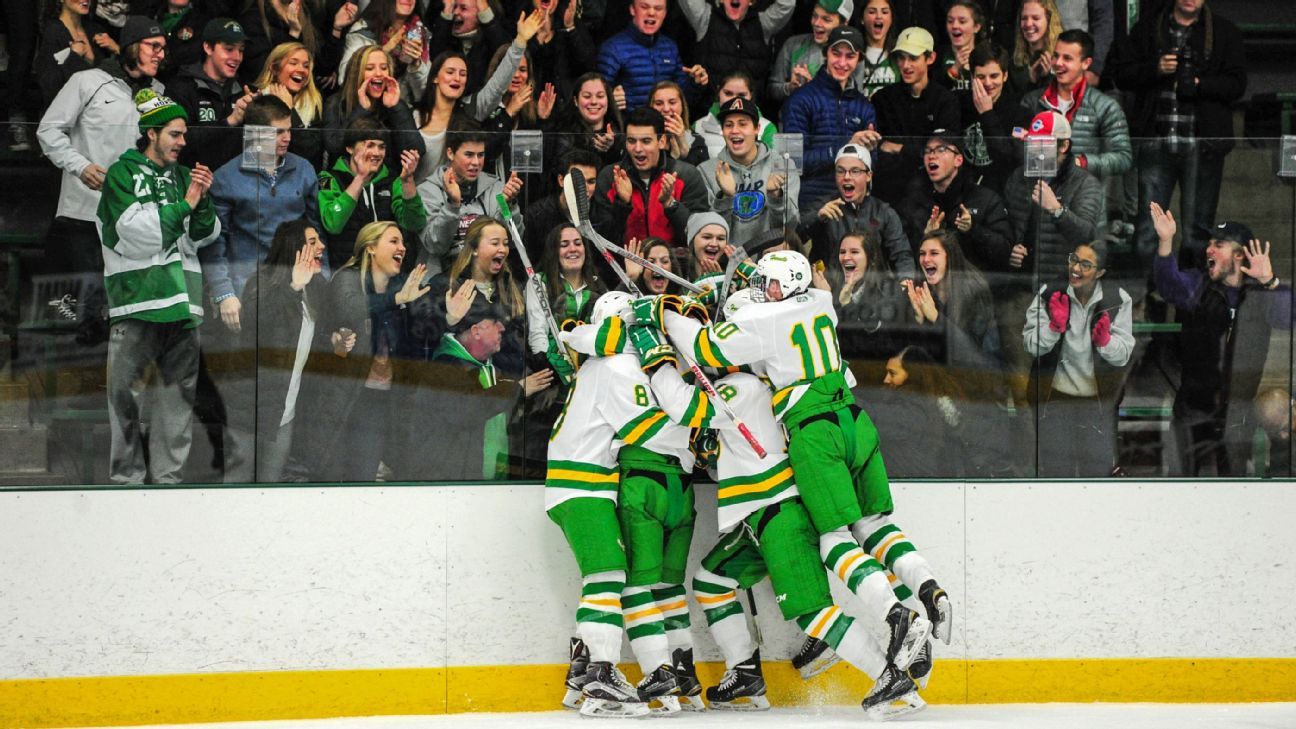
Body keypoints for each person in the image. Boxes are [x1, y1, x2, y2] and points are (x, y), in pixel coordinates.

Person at [640, 250, 951, 676]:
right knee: (873, 525)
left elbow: (702, 347)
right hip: (854, 417)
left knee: (834, 539)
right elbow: (781, 301)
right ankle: (928, 588)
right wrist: (752, 273)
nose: (763, 293)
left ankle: (900, 619)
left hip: (814, 430)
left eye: (768, 285)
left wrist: (663, 313)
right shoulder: (821, 302)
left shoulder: (761, 332)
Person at [96, 89, 220, 485]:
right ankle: (125, 483)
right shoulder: (122, 173)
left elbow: (203, 235)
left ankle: (169, 483)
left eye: (183, 135)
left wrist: (202, 204)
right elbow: (134, 235)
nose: (183, 143)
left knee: (176, 406)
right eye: (175, 134)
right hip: (137, 304)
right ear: (151, 134)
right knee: (124, 401)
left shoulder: (185, 177)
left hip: (183, 306)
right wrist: (186, 204)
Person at [202, 95, 322, 482]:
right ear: (254, 135)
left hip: (294, 290)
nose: (287, 138)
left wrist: (321, 289)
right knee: (245, 394)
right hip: (244, 298)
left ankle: (276, 470)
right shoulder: (226, 177)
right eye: (277, 132)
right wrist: (223, 293)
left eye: (289, 130)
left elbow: (319, 236)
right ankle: (237, 475)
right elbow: (213, 243)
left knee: (288, 385)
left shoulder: (303, 171)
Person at [1149, 204, 1291, 477]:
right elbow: (1168, 285)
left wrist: (1270, 282)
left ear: (1240, 254)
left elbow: (1288, 318)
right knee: (1181, 485)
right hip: (1193, 407)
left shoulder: (1260, 294)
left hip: (1237, 412)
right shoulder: (1198, 285)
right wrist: (1166, 242)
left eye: (1219, 245)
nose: (1208, 250)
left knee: (1233, 486)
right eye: (1209, 244)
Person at [1110, 0, 1247, 266]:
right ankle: (1148, 299)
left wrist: (1198, 83)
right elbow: (1122, 74)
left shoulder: (1223, 31)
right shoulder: (1148, 28)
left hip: (1202, 144)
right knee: (1147, 232)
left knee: (1198, 233)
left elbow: (1237, 84)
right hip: (1156, 141)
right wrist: (1156, 68)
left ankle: (1191, 299)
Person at [38, 16, 167, 285]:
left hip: (134, 215)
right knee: (88, 304)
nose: (160, 54)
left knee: (123, 303)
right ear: (132, 46)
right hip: (85, 211)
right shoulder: (87, 80)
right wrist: (81, 166)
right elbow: (48, 130)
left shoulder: (159, 93)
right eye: (153, 46)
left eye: (163, 48)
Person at [307, 221, 430, 482]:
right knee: (330, 476)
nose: (402, 248)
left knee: (362, 478)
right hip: (342, 395)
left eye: (403, 242)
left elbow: (418, 337)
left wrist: (447, 317)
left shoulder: (400, 286)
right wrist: (395, 300)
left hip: (380, 398)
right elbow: (352, 308)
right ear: (371, 248)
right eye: (394, 241)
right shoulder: (347, 277)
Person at [395, 302, 552, 481]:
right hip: (450, 483)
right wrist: (517, 389)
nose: (502, 328)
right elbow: (466, 410)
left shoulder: (493, 367)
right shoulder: (445, 367)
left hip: (490, 481)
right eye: (495, 322)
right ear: (476, 331)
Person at [1022, 240, 1134, 477]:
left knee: (1096, 472)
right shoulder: (1049, 292)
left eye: (1086, 264)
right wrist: (1053, 327)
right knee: (1056, 472)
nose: (1076, 268)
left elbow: (1123, 354)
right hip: (1054, 400)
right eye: (1074, 259)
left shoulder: (1118, 299)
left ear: (1100, 273)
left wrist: (1106, 343)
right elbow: (1031, 345)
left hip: (1097, 403)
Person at [232, 219, 330, 482]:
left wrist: (336, 341)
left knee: (271, 482)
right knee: (238, 482)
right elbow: (256, 326)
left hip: (285, 410)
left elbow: (315, 343)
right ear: (293, 249)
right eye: (312, 242)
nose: (321, 246)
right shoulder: (262, 282)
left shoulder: (317, 287)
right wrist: (293, 288)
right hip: (250, 408)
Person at [1018, 29, 1131, 190]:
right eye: (1056, 55)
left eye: (1067, 58)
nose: (1058, 63)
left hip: (1084, 200)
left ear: (1086, 63)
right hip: (1039, 197)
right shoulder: (1032, 101)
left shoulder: (1105, 106)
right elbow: (1016, 148)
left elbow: (1123, 158)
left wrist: (1080, 162)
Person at [781, 26, 878, 212]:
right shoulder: (799, 100)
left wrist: (869, 152)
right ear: (826, 54)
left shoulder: (864, 106)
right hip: (810, 206)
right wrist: (845, 146)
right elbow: (789, 163)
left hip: (852, 207)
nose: (842, 62)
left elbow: (872, 165)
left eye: (850, 56)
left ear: (859, 59)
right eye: (836, 53)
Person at [591, 107, 709, 257]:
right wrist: (622, 204)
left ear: (661, 141)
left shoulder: (687, 175)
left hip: (676, 270)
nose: (638, 149)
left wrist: (671, 205)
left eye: (646, 141)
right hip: (623, 271)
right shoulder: (610, 177)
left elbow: (700, 236)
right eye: (631, 141)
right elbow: (602, 240)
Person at [896, 132, 1013, 276]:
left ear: (958, 160)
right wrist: (926, 237)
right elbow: (901, 255)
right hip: (929, 290)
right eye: (928, 151)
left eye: (941, 149)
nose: (932, 155)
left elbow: (1004, 252)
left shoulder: (985, 198)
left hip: (974, 291)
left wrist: (973, 229)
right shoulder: (913, 201)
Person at [413, 38, 528, 183]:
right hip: (418, 198)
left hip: (456, 199)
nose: (457, 78)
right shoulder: (416, 116)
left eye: (463, 74)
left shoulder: (471, 111)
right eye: (450, 72)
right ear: (435, 77)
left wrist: (520, 42)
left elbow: (497, 85)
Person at [416, 121, 523, 276]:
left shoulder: (497, 188)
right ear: (450, 153)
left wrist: (509, 205)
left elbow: (514, 241)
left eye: (481, 155)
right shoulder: (427, 190)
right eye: (469, 155)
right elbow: (435, 245)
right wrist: (452, 205)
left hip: (488, 276)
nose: (476, 162)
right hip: (443, 280)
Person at [869, 26, 961, 206]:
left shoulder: (945, 100)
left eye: (913, 58)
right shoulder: (883, 98)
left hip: (930, 192)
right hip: (888, 189)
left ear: (931, 58)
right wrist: (918, 150)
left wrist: (898, 148)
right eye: (901, 58)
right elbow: (878, 146)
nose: (905, 65)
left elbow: (943, 152)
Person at [318, 117, 425, 270]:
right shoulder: (329, 178)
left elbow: (415, 223)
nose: (376, 153)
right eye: (369, 145)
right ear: (350, 148)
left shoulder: (393, 180)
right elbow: (333, 224)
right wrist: (360, 179)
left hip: (389, 272)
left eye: (381, 147)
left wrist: (408, 181)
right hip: (348, 272)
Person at [797, 144, 916, 280]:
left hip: (873, 294)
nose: (846, 177)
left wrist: (905, 286)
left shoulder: (883, 212)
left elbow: (902, 255)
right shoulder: (823, 207)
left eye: (854, 171)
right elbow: (795, 238)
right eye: (840, 171)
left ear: (869, 175)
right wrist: (817, 218)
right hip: (829, 292)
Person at [699, 97, 799, 248]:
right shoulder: (707, 170)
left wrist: (776, 196)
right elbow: (708, 236)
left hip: (771, 259)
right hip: (728, 261)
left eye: (742, 124)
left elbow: (791, 226)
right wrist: (725, 197)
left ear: (757, 128)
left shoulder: (782, 165)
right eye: (728, 125)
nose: (734, 130)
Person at [166, 17, 254, 171]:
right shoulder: (181, 88)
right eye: (229, 49)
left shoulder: (245, 91)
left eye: (241, 50)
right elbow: (175, 140)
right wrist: (229, 122)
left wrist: (260, 115)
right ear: (207, 47)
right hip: (192, 181)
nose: (237, 57)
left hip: (236, 186)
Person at [322, 44, 426, 172]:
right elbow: (334, 148)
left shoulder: (396, 105)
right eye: (370, 68)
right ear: (356, 74)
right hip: (345, 181)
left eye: (384, 68)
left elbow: (416, 152)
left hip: (385, 183)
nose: (379, 73)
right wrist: (361, 110)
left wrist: (395, 107)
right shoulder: (335, 102)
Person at [596, 0, 708, 111]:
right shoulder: (612, 48)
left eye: (658, 8)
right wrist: (609, 99)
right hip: (630, 126)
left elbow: (684, 99)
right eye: (644, 7)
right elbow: (596, 97)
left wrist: (696, 83)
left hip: (665, 125)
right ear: (632, 9)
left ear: (665, 13)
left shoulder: (670, 47)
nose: (651, 13)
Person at [676, 0, 794, 99]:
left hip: (751, 115)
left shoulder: (764, 23)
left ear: (751, 1)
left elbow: (787, 4)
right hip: (711, 114)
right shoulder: (705, 18)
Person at [824, 229, 909, 364]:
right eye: (842, 252)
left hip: (873, 371)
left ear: (871, 258)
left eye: (854, 252)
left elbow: (880, 346)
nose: (846, 257)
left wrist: (848, 305)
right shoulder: (831, 286)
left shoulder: (888, 288)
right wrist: (824, 299)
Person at [237, 0, 348, 89]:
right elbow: (261, 70)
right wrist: (293, 34)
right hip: (268, 95)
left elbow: (322, 66)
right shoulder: (252, 18)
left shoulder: (304, 12)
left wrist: (337, 28)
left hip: (303, 96)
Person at [251, 41, 326, 169]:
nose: (301, 70)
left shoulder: (315, 104)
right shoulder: (256, 98)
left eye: (306, 66)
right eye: (293, 63)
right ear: (274, 68)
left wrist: (290, 111)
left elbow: (311, 153)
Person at [958, 43, 1021, 195]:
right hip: (962, 190)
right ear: (972, 77)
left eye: (994, 76)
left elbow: (1008, 160)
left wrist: (987, 114)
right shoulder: (957, 104)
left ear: (1005, 76)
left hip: (1000, 194)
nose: (987, 83)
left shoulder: (1019, 111)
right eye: (980, 77)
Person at [340, 0, 429, 105]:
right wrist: (384, 51)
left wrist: (416, 65)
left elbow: (423, 94)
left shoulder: (419, 32)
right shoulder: (364, 30)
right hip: (363, 108)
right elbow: (344, 80)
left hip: (401, 108)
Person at [766, 0, 853, 107]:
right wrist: (790, 88)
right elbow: (771, 91)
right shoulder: (793, 44)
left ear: (844, 24)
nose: (816, 23)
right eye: (814, 16)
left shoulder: (852, 55)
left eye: (826, 19)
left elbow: (854, 103)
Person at [424, 0, 513, 98]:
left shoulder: (491, 40)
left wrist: (486, 14)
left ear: (481, 14)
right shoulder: (447, 38)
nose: (455, 12)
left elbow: (504, 53)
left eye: (463, 8)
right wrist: (446, 13)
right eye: (454, 7)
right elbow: (436, 55)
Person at [523, 149, 600, 261]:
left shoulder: (602, 216)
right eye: (578, 181)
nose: (585, 188)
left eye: (591, 182)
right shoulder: (536, 215)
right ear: (561, 180)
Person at [36, 0, 113, 108]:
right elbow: (49, 86)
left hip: (100, 111)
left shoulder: (96, 30)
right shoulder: (53, 32)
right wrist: (73, 57)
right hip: (67, 115)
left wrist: (116, 49)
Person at [693, 71, 780, 161]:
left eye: (741, 95)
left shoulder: (767, 128)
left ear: (751, 95)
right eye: (728, 93)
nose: (734, 99)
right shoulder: (697, 126)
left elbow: (773, 166)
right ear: (719, 92)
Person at [548, 72, 624, 172]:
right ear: (575, 101)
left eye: (600, 96)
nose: (593, 101)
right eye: (587, 96)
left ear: (608, 100)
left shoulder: (620, 131)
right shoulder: (565, 135)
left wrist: (612, 149)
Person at [648, 81, 708, 166]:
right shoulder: (640, 140)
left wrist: (683, 146)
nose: (666, 109)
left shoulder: (696, 141)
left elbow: (698, 176)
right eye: (659, 103)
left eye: (672, 102)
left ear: (682, 106)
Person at [1009, 0, 1063, 93]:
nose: (1028, 23)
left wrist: (1048, 77)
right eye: (1024, 18)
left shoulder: (1063, 58)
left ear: (1049, 20)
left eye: (1036, 18)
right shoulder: (1014, 63)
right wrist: (1032, 82)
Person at [935, 0, 985, 92]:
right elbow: (934, 93)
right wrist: (955, 69)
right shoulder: (939, 55)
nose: (954, 25)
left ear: (976, 27)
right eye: (950, 21)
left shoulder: (987, 56)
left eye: (962, 21)